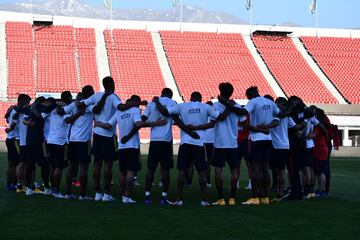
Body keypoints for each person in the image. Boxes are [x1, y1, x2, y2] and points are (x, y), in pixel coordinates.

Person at [155, 91, 228, 206]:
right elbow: (221, 117)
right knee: (202, 172)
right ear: (200, 98)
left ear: (190, 98)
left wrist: (157, 102)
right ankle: (203, 200)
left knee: (181, 171)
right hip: (199, 143)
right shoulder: (206, 107)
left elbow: (164, 111)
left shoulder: (182, 106)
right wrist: (229, 105)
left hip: (185, 143)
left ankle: (179, 199)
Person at [95, 95, 166, 203]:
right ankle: (127, 196)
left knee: (122, 172)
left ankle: (123, 194)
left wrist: (99, 124)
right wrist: (156, 123)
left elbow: (109, 125)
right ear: (135, 102)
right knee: (131, 171)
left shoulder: (118, 112)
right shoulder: (135, 110)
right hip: (132, 145)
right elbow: (138, 124)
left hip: (121, 146)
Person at [219, 86, 281, 205]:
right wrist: (267, 127)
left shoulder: (253, 102)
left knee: (255, 168)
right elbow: (278, 118)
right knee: (265, 168)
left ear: (249, 95)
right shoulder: (270, 102)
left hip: (255, 139)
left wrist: (227, 105)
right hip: (268, 139)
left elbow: (243, 112)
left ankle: (255, 197)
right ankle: (265, 197)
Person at [212, 83, 247, 206]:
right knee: (234, 171)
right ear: (231, 92)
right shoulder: (236, 106)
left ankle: (221, 198)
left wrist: (226, 105)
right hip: (233, 144)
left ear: (220, 91)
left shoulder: (215, 106)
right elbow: (243, 120)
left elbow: (218, 119)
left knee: (218, 171)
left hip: (220, 144)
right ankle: (232, 197)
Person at [141, 88, 177, 205]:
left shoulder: (152, 104)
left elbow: (142, 120)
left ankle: (147, 196)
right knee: (165, 169)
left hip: (155, 141)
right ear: (170, 95)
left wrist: (153, 122)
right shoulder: (172, 103)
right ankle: (164, 197)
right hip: (166, 141)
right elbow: (170, 115)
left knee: (151, 169)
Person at [61, 86, 95, 200]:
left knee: (71, 167)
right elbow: (98, 109)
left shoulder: (73, 105)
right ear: (90, 94)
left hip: (72, 140)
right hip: (84, 141)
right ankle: (82, 195)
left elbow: (64, 116)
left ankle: (68, 193)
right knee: (83, 168)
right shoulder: (89, 106)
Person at [270, 97, 304, 202]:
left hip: (275, 145)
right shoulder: (287, 116)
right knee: (281, 171)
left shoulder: (274, 114)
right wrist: (303, 125)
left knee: (277, 171)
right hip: (285, 146)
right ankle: (280, 192)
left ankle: (279, 192)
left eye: (277, 103)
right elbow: (295, 127)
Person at [46, 91, 73, 198]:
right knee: (59, 167)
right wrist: (76, 115)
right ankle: (56, 190)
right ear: (69, 98)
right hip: (60, 142)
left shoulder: (53, 110)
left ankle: (53, 188)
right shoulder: (64, 110)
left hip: (50, 140)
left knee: (52, 166)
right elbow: (67, 120)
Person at [204, 101, 215, 188]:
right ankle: (208, 181)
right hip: (210, 142)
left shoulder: (204, 116)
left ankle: (208, 181)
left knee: (208, 163)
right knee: (210, 164)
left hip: (208, 142)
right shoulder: (214, 116)